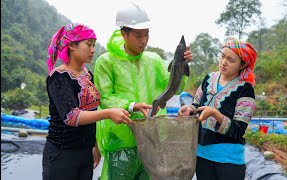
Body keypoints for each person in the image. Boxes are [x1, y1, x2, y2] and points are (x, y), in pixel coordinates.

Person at [93, 2, 193, 179]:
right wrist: (131, 105)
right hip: (121, 141)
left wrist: (182, 66)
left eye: (146, 34)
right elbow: (105, 97)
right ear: (124, 33)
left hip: (152, 139)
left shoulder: (154, 60)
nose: (144, 40)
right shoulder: (106, 61)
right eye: (138, 35)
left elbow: (175, 88)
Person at [42, 23, 132, 180]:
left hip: (84, 153)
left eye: (94, 45)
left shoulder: (87, 74)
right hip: (62, 155)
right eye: (88, 44)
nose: (92, 50)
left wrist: (93, 144)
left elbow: (90, 110)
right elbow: (72, 116)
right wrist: (109, 113)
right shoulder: (59, 77)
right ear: (72, 45)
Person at [179, 37, 257, 180]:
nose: (223, 62)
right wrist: (189, 109)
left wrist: (216, 114)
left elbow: (238, 129)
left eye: (231, 60)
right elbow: (197, 105)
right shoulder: (209, 79)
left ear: (242, 64)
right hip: (202, 156)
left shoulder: (245, 90)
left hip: (229, 161)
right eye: (222, 56)